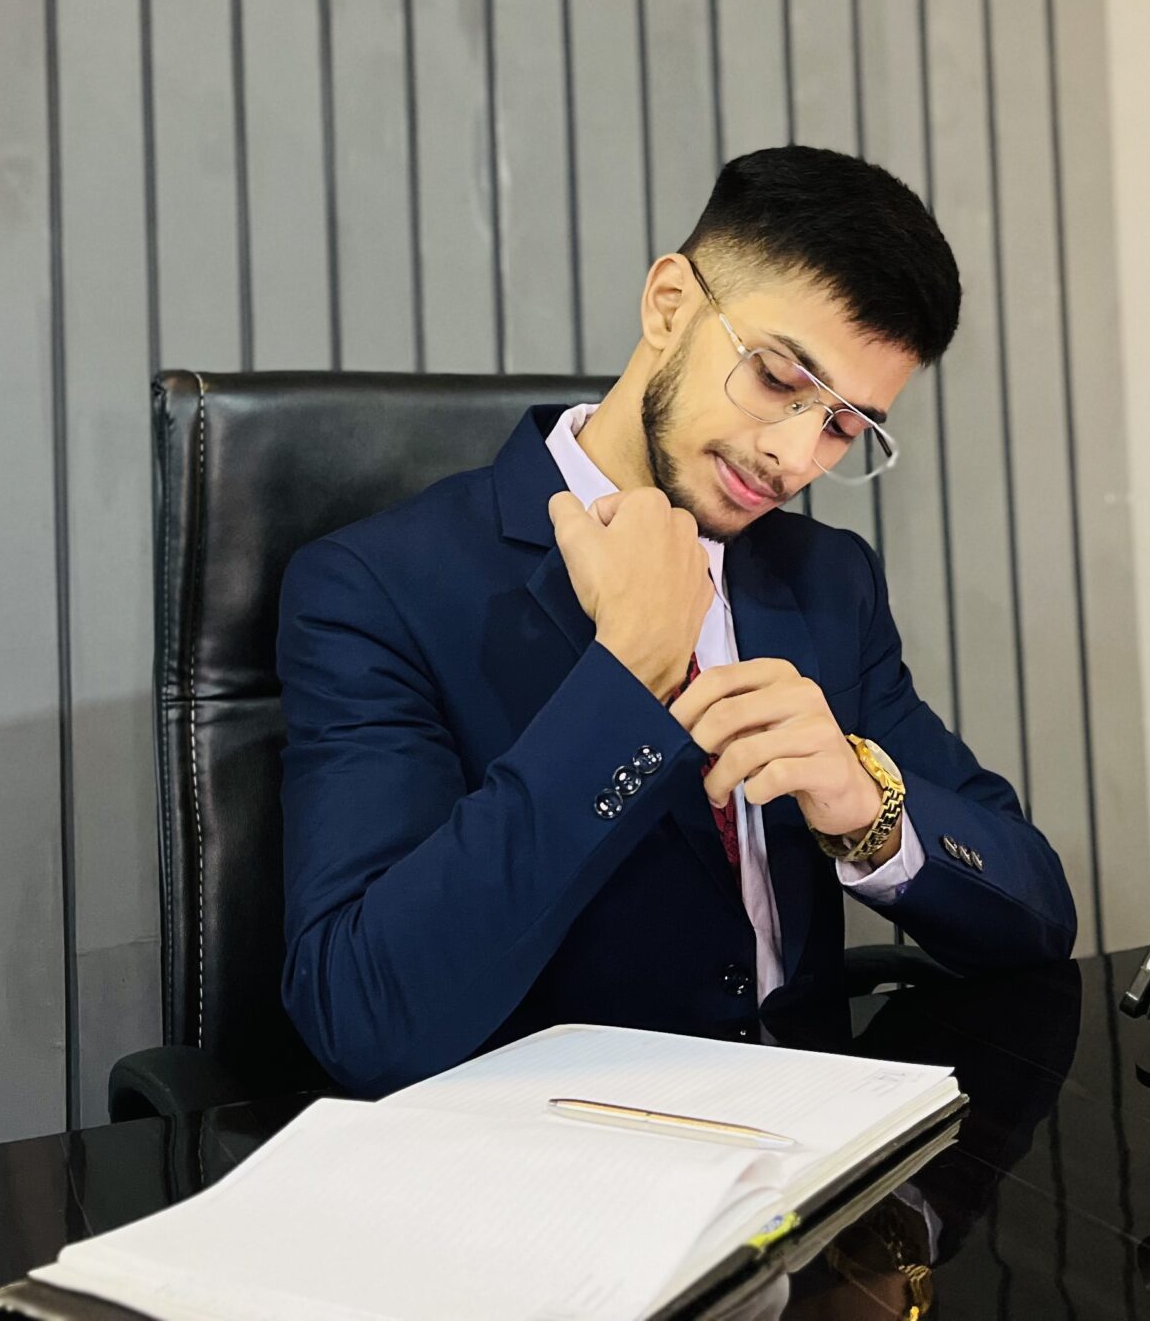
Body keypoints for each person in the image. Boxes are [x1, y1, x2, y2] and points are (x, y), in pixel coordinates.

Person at [278, 145, 1076, 1094]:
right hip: (562, 1151)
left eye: (842, 426)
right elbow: (362, 1014)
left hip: (815, 1135)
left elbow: (1037, 913)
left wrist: (868, 808)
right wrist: (624, 682)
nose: (794, 457)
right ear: (668, 305)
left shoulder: (827, 581)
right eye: (778, 377)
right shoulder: (378, 586)